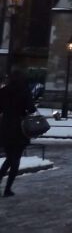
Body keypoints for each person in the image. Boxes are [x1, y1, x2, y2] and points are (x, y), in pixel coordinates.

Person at [0, 69, 35, 197]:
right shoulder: (24, 91)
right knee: (15, 159)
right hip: (20, 128)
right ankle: (8, 189)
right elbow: (31, 108)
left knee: (10, 157)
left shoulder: (3, 91)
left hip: (5, 126)